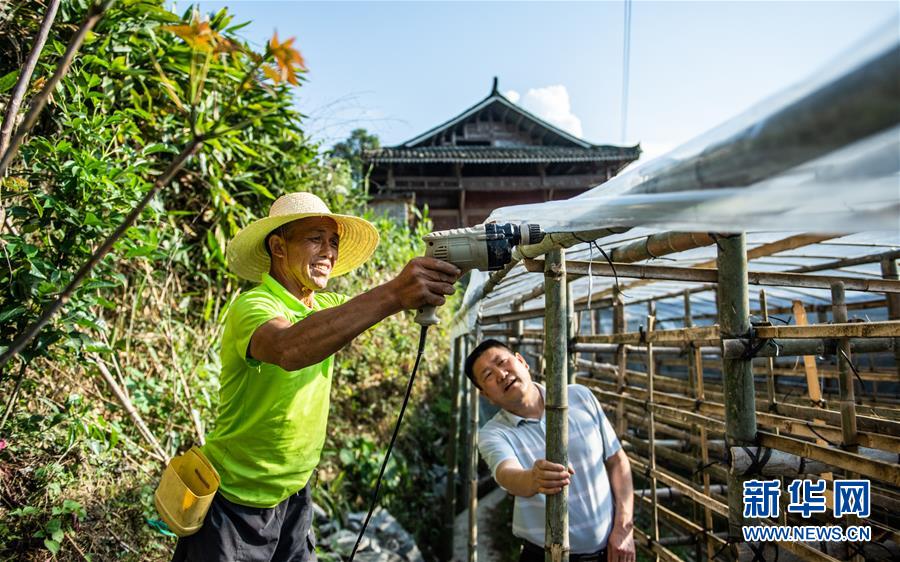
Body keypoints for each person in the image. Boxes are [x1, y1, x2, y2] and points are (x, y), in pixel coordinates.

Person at [172, 192, 460, 561]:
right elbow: (289, 348)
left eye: (334, 242)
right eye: (315, 239)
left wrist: (440, 272)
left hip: (294, 494)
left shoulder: (324, 307)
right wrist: (393, 294)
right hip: (238, 499)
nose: (328, 252)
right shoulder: (255, 305)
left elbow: (348, 316)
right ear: (278, 246)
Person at [467, 339, 636, 562]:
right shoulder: (494, 433)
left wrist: (623, 527)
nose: (501, 374)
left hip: (613, 551)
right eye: (488, 375)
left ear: (522, 362)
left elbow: (617, 460)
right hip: (545, 556)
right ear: (485, 395)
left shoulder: (579, 396)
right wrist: (533, 479)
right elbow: (508, 474)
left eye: (503, 362)